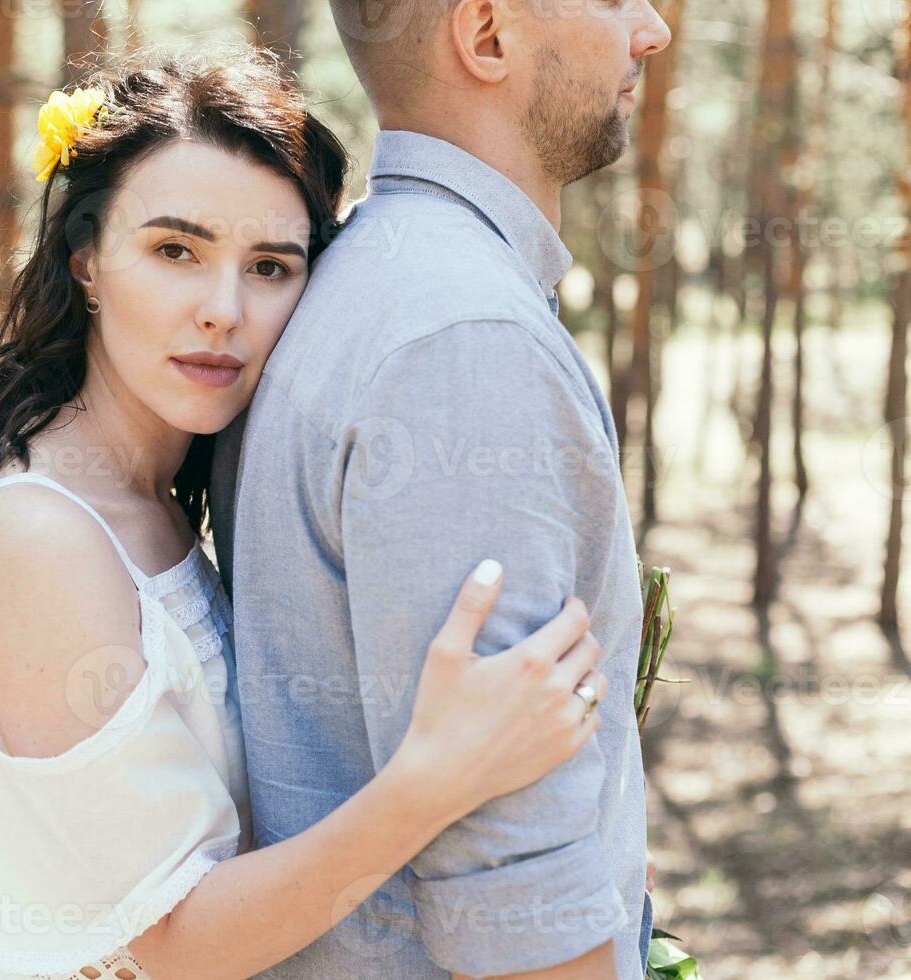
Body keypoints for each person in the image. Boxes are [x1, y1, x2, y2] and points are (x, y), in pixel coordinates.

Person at [0, 50, 611, 980]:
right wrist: (435, 780)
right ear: (86, 257)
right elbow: (174, 944)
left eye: (269, 266)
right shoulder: (38, 536)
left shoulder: (162, 497)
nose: (223, 311)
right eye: (175, 250)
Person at [209, 2, 673, 977]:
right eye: (612, 0)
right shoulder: (463, 342)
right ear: (488, 34)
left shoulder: (370, 277)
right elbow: (518, 923)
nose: (649, 30)